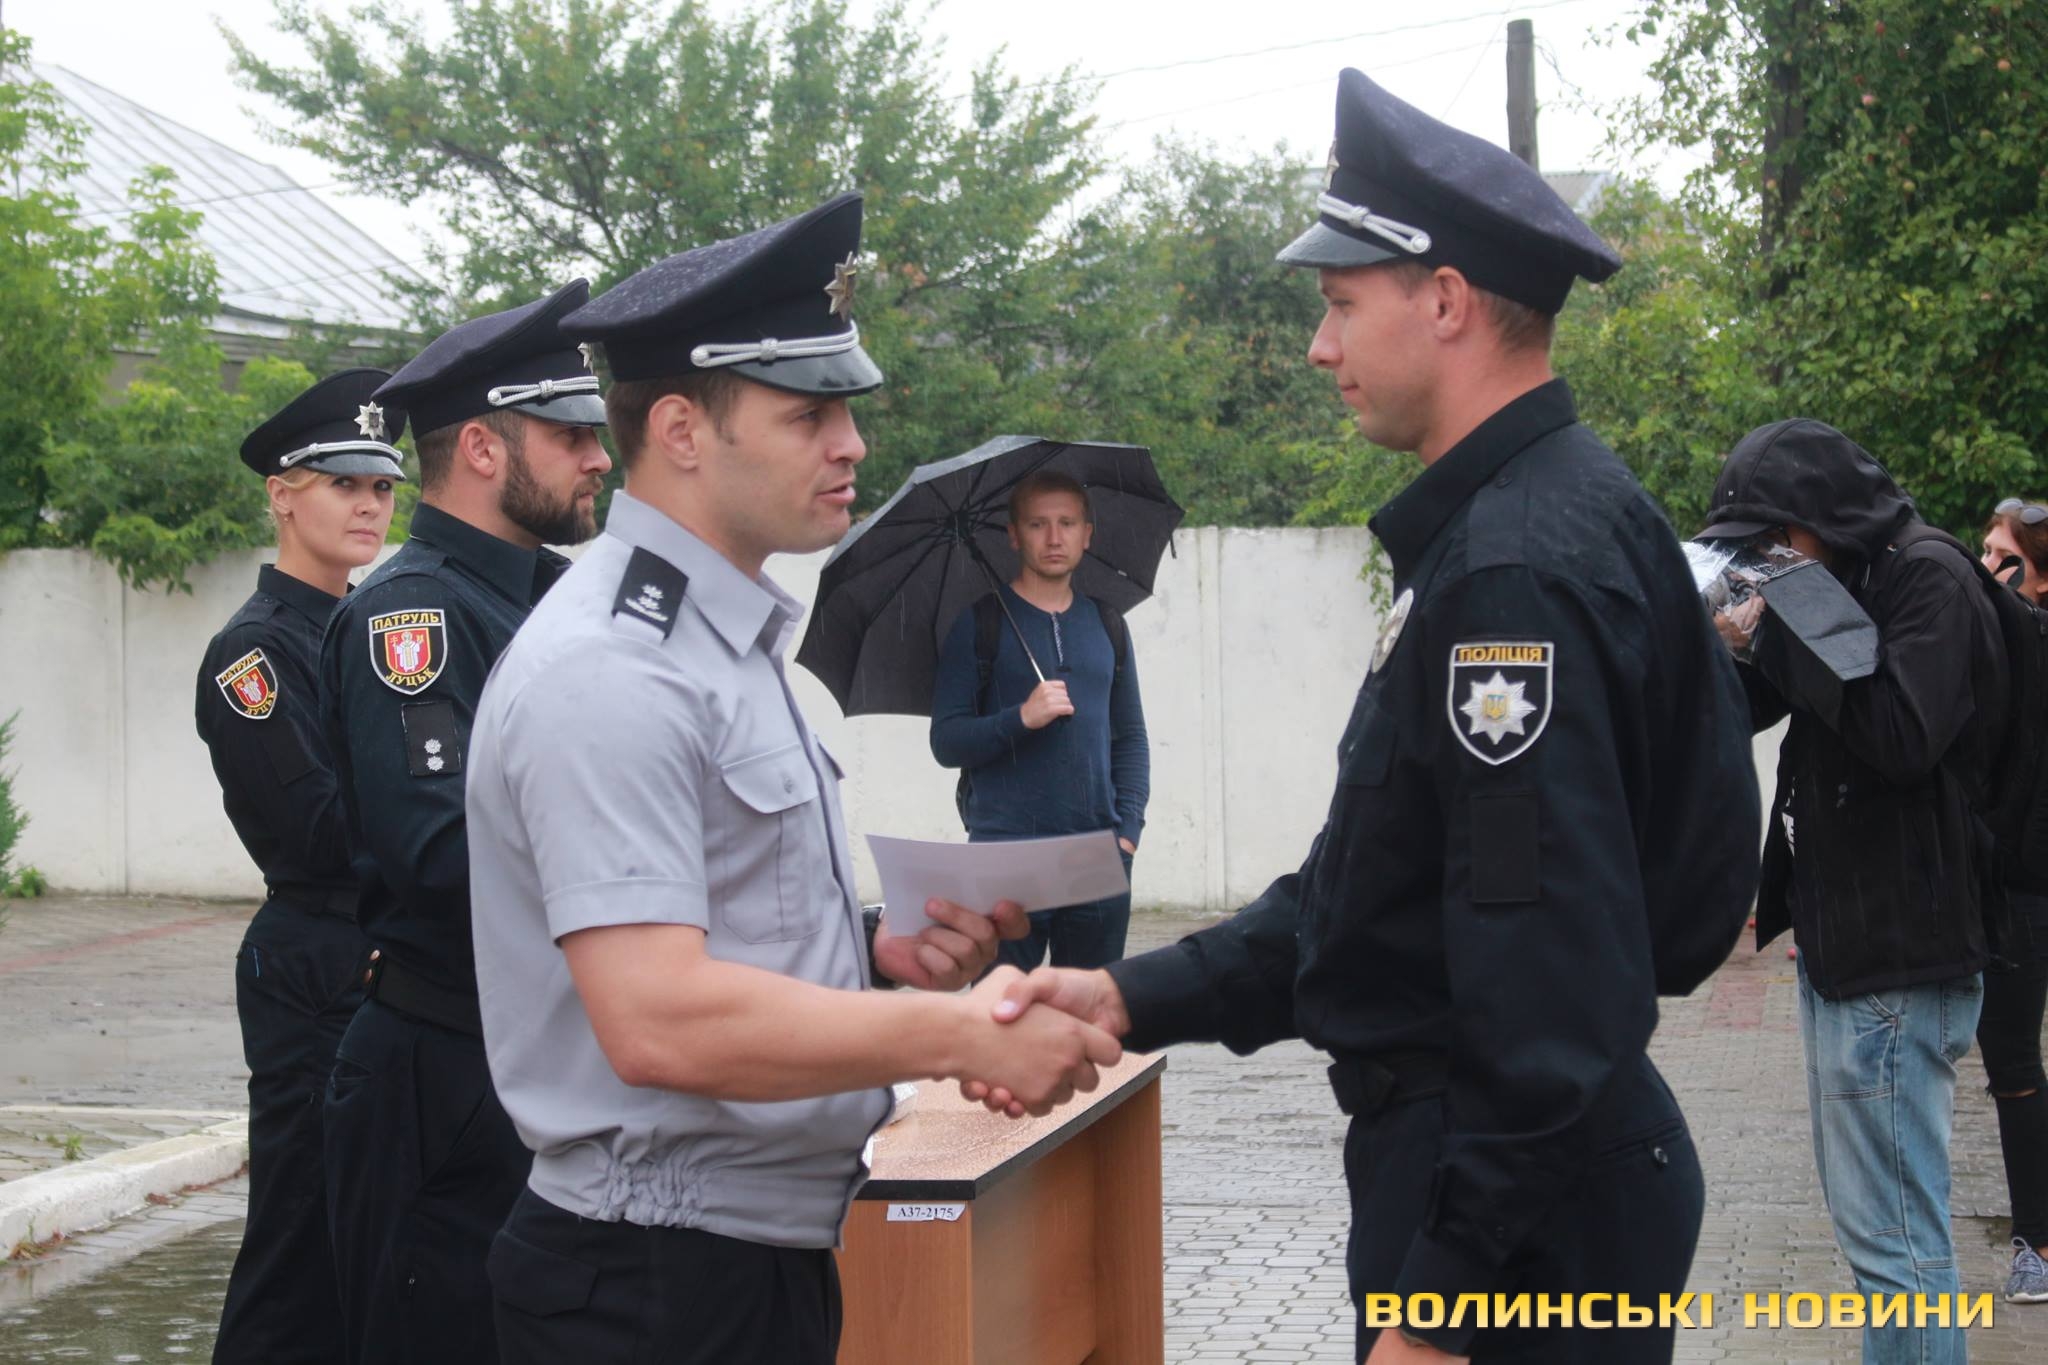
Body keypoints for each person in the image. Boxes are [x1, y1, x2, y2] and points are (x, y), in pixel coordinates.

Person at [976, 69, 1761, 1364]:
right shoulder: (1533, 524)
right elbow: (1375, 891)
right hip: (1519, 1187)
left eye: (1340, 304)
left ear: (1443, 301)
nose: (1318, 347)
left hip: (1511, 1221)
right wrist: (1120, 995)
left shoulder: (1513, 573)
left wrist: (1440, 1302)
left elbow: (1546, 985)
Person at [463, 191, 1121, 1365]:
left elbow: (712, 924)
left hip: (738, 1264)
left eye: (845, 412)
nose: (851, 444)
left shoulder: (711, 642)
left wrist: (870, 954)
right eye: (809, 414)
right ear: (680, 429)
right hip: (649, 1286)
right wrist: (954, 1033)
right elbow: (658, 1020)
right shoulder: (613, 666)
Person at [316, 282, 614, 1365]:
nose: (600, 457)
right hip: (445, 1078)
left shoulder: (555, 597)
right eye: (570, 435)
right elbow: (439, 852)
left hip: (544, 1057)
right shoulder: (417, 616)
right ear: (484, 448)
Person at [1700, 419, 2003, 1364]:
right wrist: (1724, 643)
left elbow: (1902, 732)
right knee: (1879, 1246)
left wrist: (1783, 623)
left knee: (1899, 1249)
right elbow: (1760, 705)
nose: (1766, 561)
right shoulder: (1852, 579)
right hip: (1847, 949)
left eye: (1772, 542)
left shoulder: (1930, 579)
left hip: (1899, 958)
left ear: (1821, 517)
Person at [194, 369, 404, 1365]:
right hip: (317, 960)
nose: (368, 506)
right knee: (300, 1243)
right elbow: (319, 830)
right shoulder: (254, 656)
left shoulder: (379, 628)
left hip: (390, 954)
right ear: (282, 494)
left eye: (382, 487)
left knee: (382, 1244)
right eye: (342, 484)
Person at [929, 469, 1150, 970]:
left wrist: (1127, 833)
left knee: (1089, 1011)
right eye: (1037, 524)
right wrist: (1021, 718)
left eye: (1067, 523)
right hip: (1005, 857)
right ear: (1013, 535)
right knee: (1002, 1010)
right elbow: (946, 741)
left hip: (1095, 854)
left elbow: (1131, 738)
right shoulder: (979, 623)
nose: (1054, 538)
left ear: (1086, 534)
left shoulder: (1107, 623)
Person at [1976, 497, 2048, 1304]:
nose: (1988, 568)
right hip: (1999, 882)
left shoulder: (2029, 637)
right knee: (2009, 1064)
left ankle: (2039, 1241)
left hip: (2028, 884)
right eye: (1986, 552)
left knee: (2017, 1065)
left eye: (2005, 557)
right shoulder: (1995, 634)